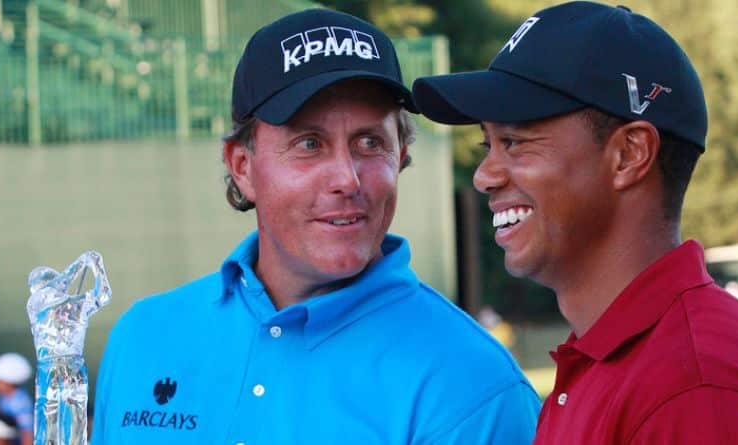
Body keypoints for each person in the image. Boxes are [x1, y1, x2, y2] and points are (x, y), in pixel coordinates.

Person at [91, 8, 539, 445]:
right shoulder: (143, 337)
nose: (347, 178)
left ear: (400, 155)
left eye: (370, 142)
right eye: (309, 143)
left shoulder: (475, 387)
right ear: (242, 166)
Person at [413, 1, 738, 443]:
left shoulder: (697, 387)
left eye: (514, 141)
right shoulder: (617, 360)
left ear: (629, 155)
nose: (484, 175)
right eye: (487, 144)